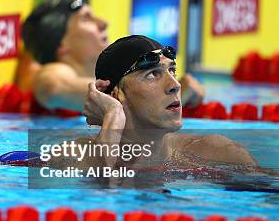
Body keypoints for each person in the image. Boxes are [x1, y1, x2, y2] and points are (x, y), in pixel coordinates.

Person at [16, 0, 205, 112]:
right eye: (86, 19)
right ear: (62, 45)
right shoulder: (52, 72)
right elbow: (52, 88)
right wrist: (165, 92)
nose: (103, 23)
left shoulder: (98, 73)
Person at [78, 35, 257, 175]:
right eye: (152, 74)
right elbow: (101, 193)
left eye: (172, 70)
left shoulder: (217, 153)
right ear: (112, 94)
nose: (175, 85)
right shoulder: (73, 156)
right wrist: (113, 114)